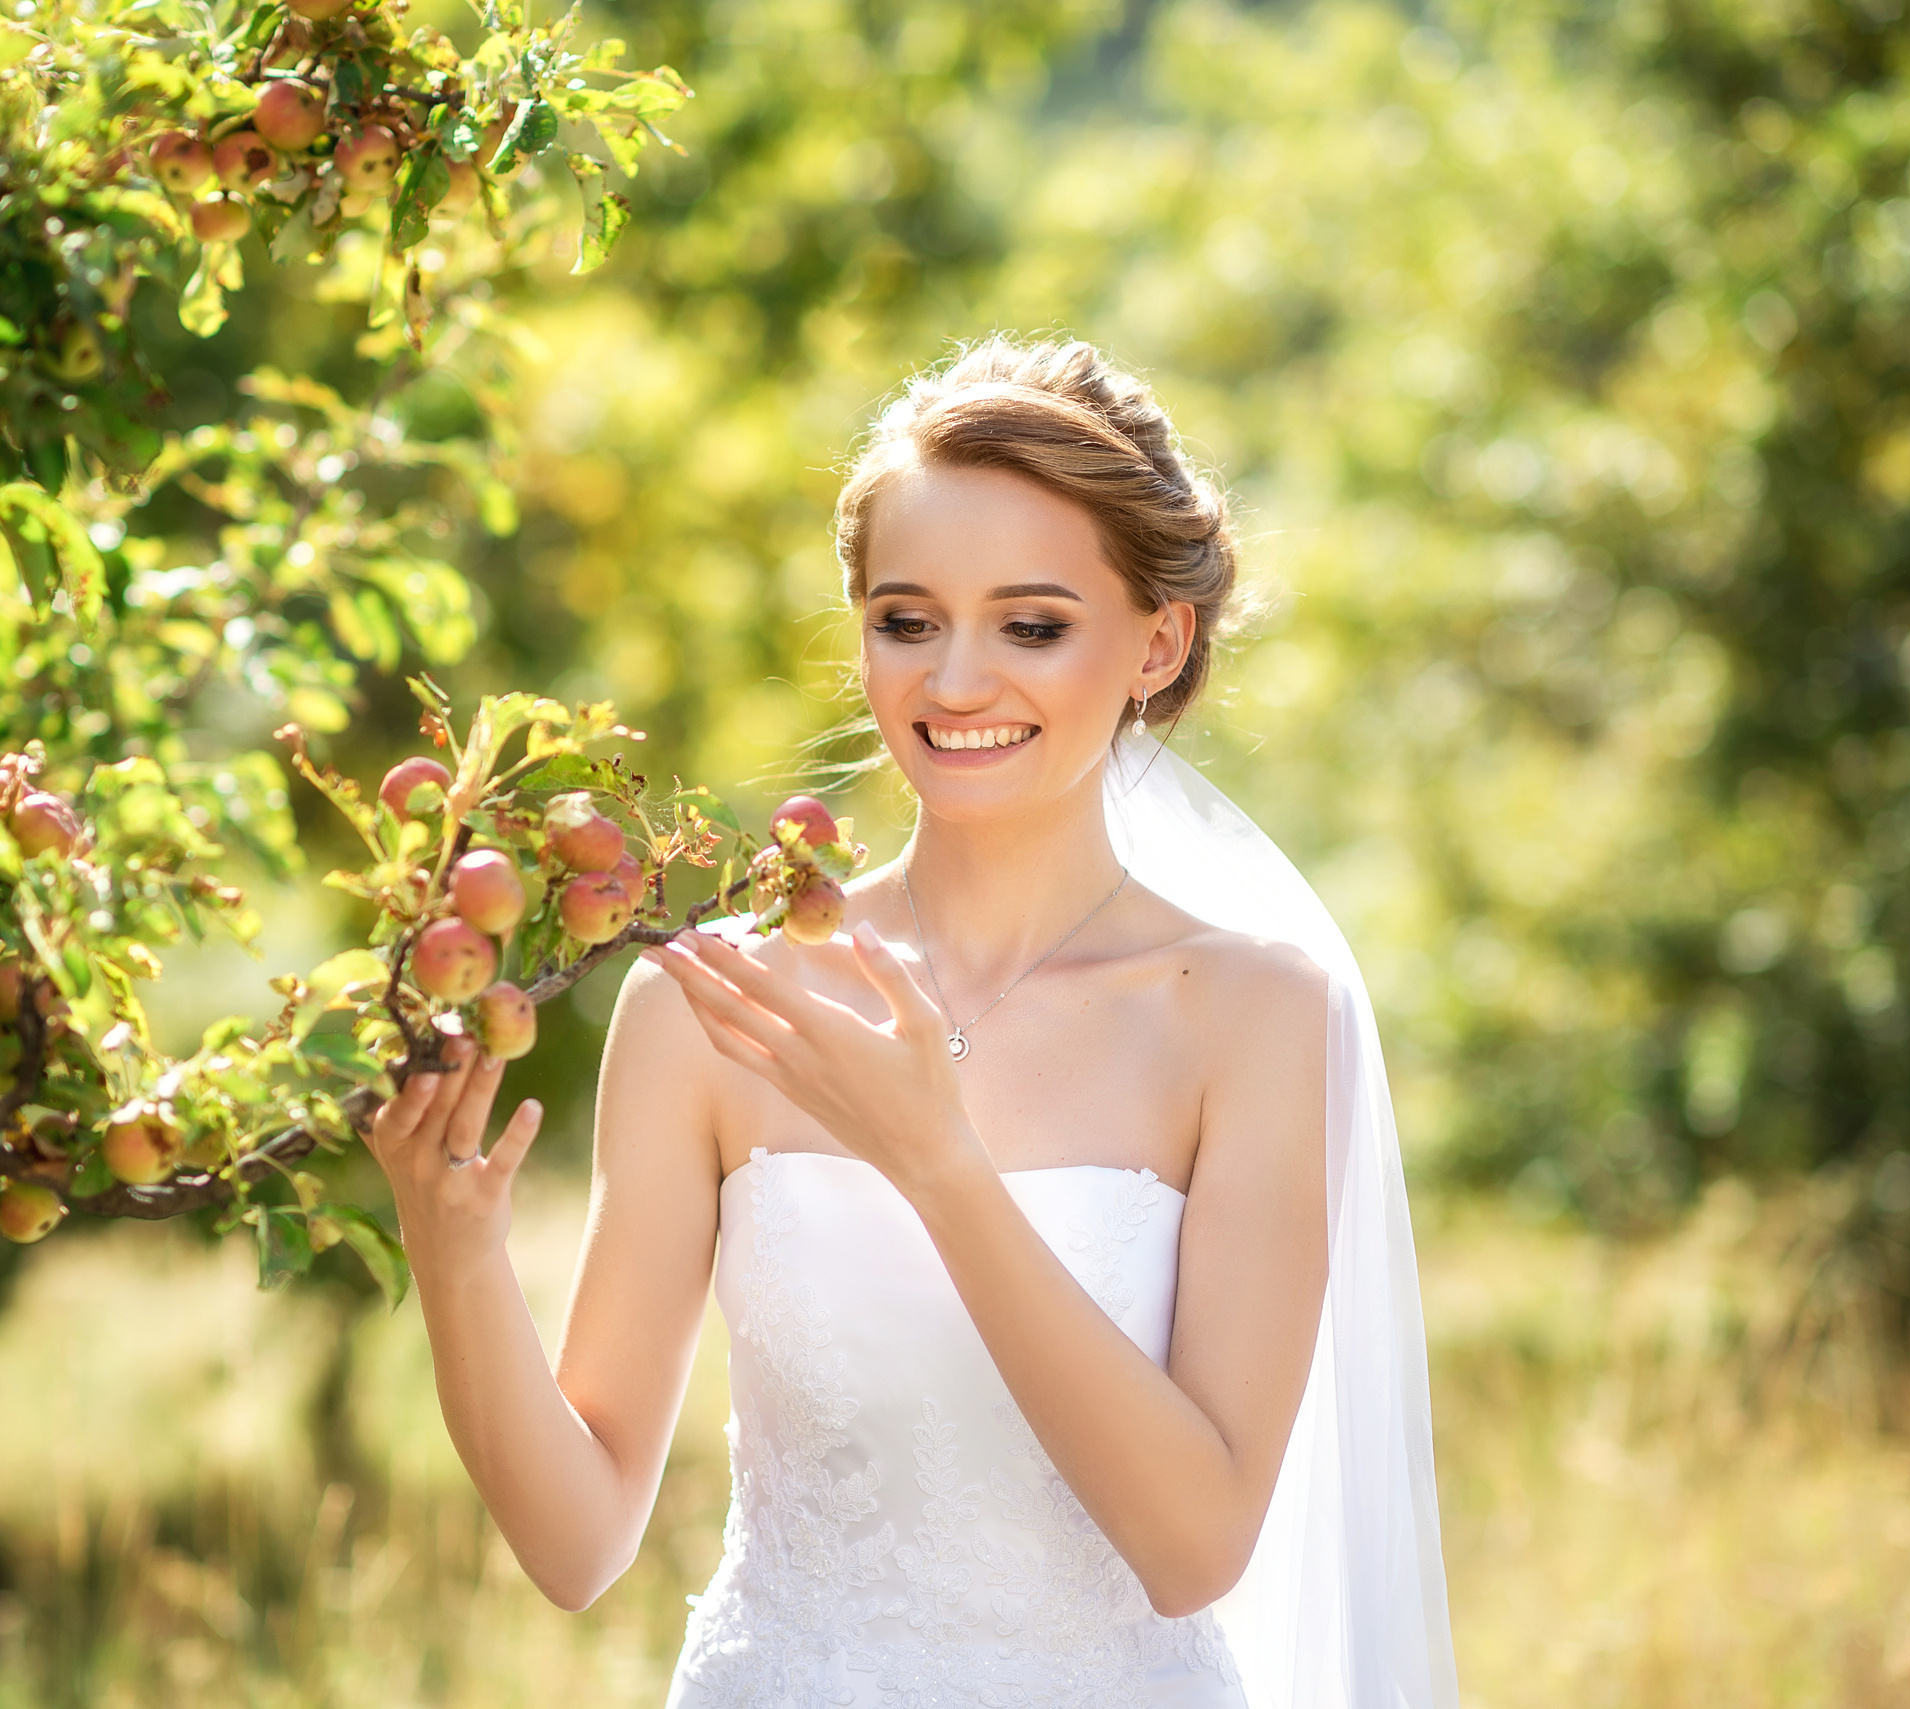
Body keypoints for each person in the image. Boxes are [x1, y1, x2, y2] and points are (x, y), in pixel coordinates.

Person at [362, 338, 1458, 1708]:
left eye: (1034, 624)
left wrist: (937, 1162)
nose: (953, 683)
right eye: (907, 619)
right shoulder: (710, 1005)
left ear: (1156, 640)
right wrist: (454, 1252)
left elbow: (1195, 1545)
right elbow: (576, 1542)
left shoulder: (1253, 1014)